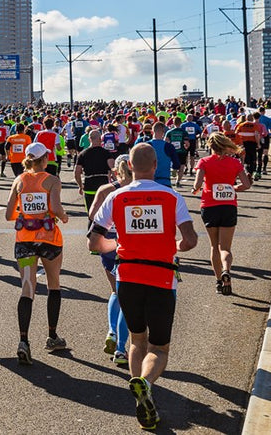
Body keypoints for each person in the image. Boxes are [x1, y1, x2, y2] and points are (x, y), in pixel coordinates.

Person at [88, 143, 197, 431]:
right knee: (159, 347)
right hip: (161, 277)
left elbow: (94, 241)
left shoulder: (117, 196)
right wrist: (173, 246)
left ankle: (140, 397)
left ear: (131, 167)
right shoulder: (171, 196)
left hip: (127, 276)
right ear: (156, 167)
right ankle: (146, 384)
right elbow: (190, 240)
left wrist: (117, 244)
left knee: (137, 340)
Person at [4, 142, 69, 365]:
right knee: (54, 284)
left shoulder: (19, 180)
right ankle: (52, 336)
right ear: (45, 159)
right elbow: (55, 208)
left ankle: (24, 341)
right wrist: (64, 216)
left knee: (27, 288)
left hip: (24, 239)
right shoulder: (52, 179)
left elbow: (9, 214)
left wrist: (27, 213)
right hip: (49, 239)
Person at [88, 155, 133, 366]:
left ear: (115, 171)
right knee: (128, 296)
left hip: (108, 246)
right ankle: (121, 348)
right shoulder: (140, 189)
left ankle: (112, 332)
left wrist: (111, 220)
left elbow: (92, 214)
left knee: (117, 291)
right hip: (131, 246)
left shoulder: (106, 190)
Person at [193, 133, 252, 296]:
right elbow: (246, 185)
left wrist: (195, 189)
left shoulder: (204, 162)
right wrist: (232, 188)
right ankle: (227, 270)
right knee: (225, 248)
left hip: (209, 206)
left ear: (210, 146)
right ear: (225, 146)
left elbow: (197, 185)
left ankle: (219, 281)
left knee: (214, 246)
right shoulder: (234, 163)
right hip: (228, 206)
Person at [74, 126, 115, 212]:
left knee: (91, 213)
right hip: (103, 186)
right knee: (104, 214)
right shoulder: (106, 153)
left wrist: (80, 186)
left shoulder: (82, 154)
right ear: (100, 139)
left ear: (89, 139)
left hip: (89, 185)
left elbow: (77, 172)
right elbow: (113, 169)